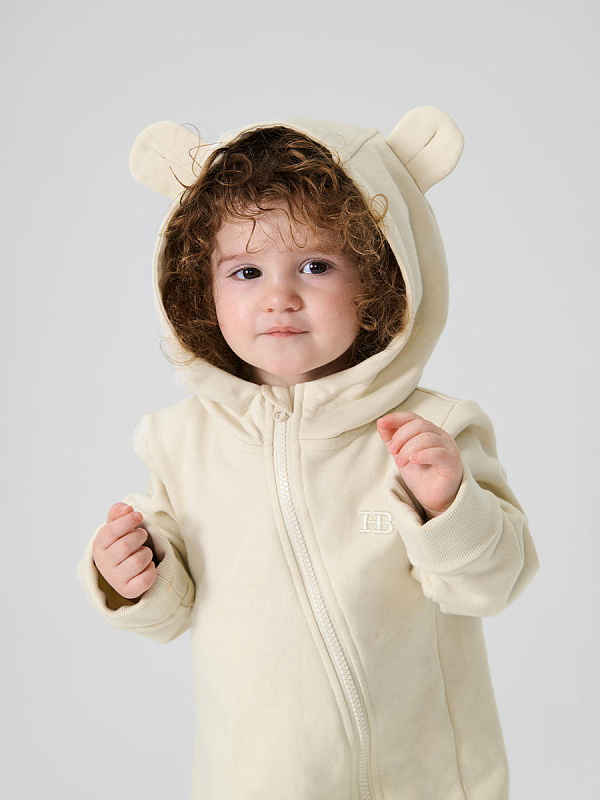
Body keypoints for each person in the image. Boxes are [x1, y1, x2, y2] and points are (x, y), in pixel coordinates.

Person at [77, 107, 540, 800]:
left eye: (316, 265)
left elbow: (491, 584)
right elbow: (171, 611)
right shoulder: (179, 443)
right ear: (201, 288)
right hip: (256, 780)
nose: (279, 298)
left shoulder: (432, 432)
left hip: (421, 782)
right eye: (246, 271)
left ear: (379, 278)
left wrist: (448, 506)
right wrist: (133, 575)